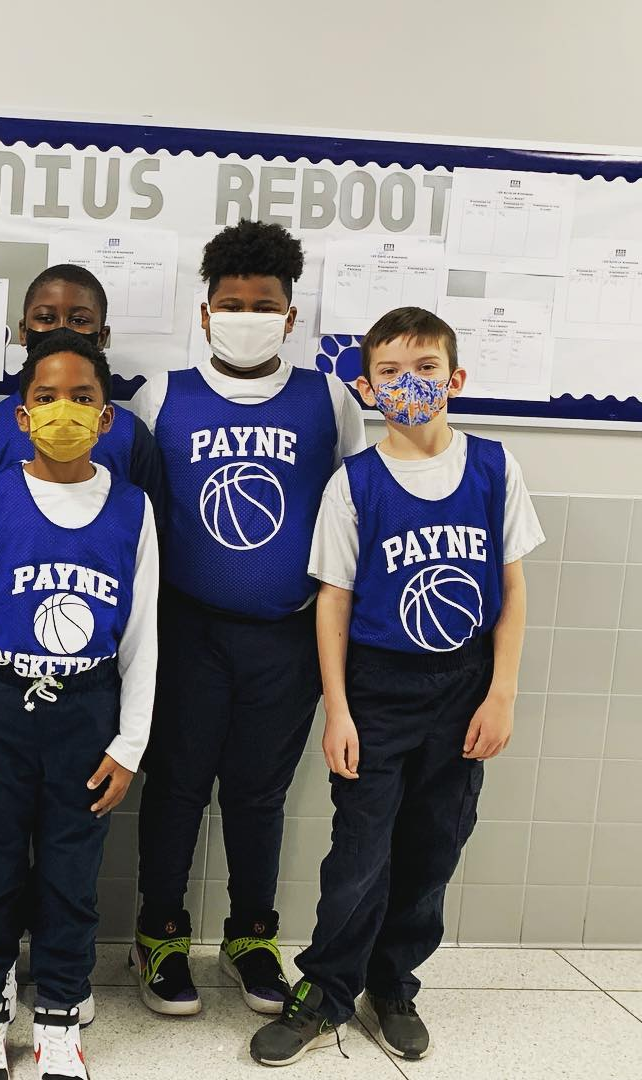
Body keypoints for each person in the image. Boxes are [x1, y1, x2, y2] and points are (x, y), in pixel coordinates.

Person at [250, 306, 541, 1066]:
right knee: (359, 854)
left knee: (434, 847)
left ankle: (393, 982)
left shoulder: (494, 469)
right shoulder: (354, 484)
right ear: (366, 387)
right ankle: (326, 991)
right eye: (389, 371)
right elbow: (334, 603)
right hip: (379, 688)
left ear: (456, 378)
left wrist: (502, 692)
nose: (408, 383)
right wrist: (338, 711)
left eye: (425, 368)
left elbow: (512, 593)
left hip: (465, 685)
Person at [129, 220, 366, 1018]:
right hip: (187, 629)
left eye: (264, 305)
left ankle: (252, 935)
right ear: (205, 314)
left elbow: (351, 517)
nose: (247, 317)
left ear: (290, 317)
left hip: (286, 633)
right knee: (177, 786)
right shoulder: (162, 394)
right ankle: (159, 932)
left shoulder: (328, 399)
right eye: (232, 304)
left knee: (260, 794)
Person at [0, 330, 158, 1080]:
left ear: (106, 417)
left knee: (72, 879)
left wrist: (129, 744)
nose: (63, 410)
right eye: (46, 397)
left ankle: (60, 1017)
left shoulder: (132, 508)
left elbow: (143, 636)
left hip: (87, 715)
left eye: (82, 397)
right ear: (21, 414)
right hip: (2, 710)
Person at [0, 264, 161, 532]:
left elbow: (151, 530)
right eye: (46, 318)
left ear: (102, 336)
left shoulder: (131, 434)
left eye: (79, 320)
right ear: (23, 331)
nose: (62, 330)